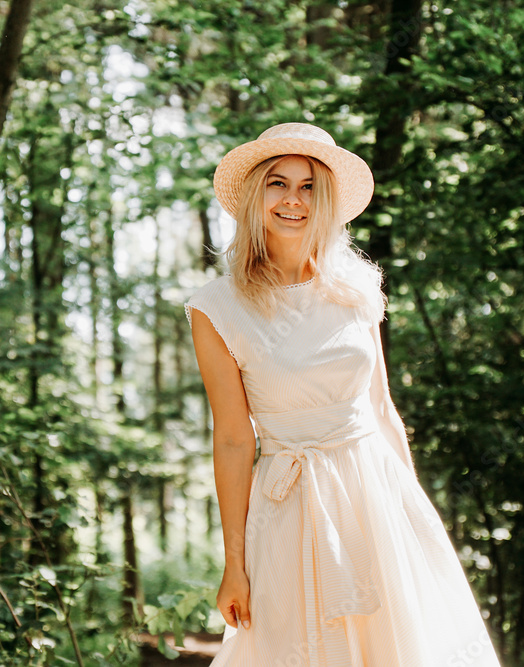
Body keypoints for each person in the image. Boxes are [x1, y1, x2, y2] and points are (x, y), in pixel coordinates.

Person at [184, 123, 503, 666]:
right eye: (278, 183)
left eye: (309, 186)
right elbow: (235, 440)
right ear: (255, 193)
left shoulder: (356, 285)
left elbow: (381, 407)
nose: (293, 200)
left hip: (374, 493)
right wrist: (233, 562)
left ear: (327, 198)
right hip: (289, 504)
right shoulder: (217, 307)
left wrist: (411, 513)